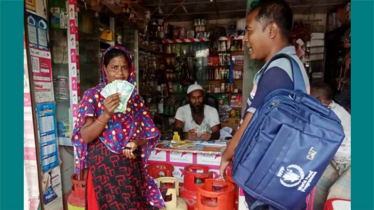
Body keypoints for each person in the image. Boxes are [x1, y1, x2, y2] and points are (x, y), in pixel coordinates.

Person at [219, 0, 310, 208]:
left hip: (271, 184)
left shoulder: (277, 71)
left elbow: (251, 122)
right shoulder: (292, 64)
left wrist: (228, 154)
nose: (245, 39)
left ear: (271, 30)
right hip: (283, 179)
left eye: (249, 31)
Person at [72, 46, 165, 210]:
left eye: (124, 68)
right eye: (114, 68)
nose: (120, 74)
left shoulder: (134, 99)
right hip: (103, 169)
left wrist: (136, 142)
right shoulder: (92, 96)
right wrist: (106, 114)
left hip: (129, 169)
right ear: (105, 70)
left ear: (130, 70)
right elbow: (85, 136)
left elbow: (149, 133)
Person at [311, 83, 351, 209]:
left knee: (336, 197)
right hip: (336, 160)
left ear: (318, 99)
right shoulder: (331, 108)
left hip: (350, 162)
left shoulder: (332, 115)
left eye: (309, 97)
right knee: (316, 190)